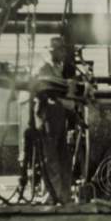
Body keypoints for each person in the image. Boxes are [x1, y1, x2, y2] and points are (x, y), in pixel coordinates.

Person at [31, 37, 77, 202]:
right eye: (60, 50)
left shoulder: (59, 70)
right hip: (47, 118)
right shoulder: (44, 69)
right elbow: (44, 92)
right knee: (51, 159)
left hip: (59, 119)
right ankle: (54, 194)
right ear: (53, 52)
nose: (63, 54)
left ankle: (65, 195)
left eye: (64, 50)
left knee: (63, 158)